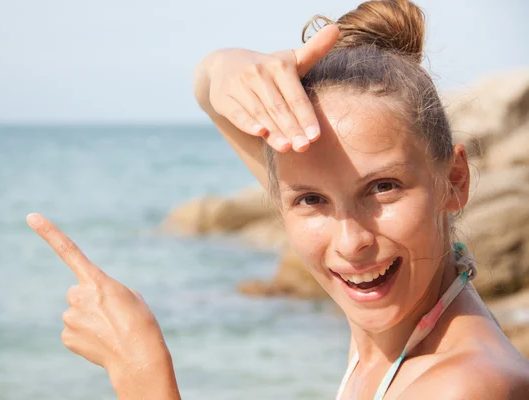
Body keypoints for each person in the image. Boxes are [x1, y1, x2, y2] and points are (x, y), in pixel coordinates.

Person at [27, 0, 529, 398]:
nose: (351, 242)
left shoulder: (464, 385)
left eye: (383, 188)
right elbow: (209, 87)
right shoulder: (408, 325)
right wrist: (231, 66)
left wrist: (139, 369)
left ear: (454, 181)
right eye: (312, 200)